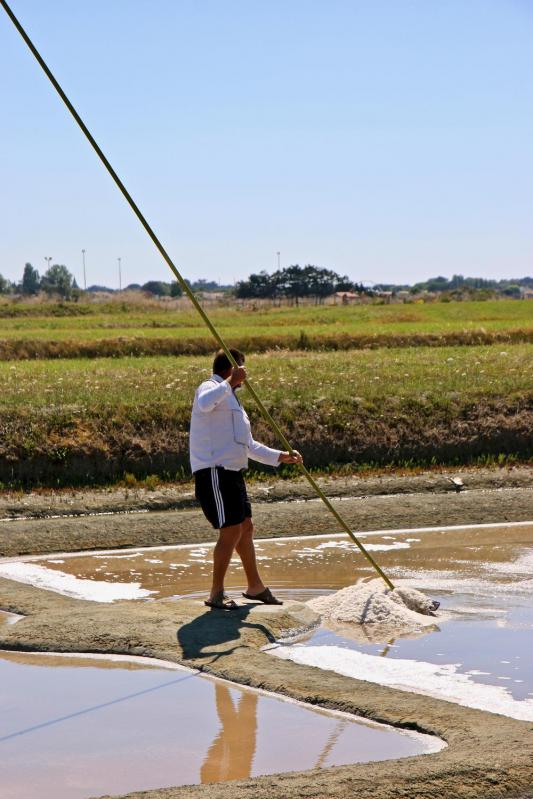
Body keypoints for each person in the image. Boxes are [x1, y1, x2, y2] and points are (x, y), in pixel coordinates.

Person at [190, 348, 303, 610]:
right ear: (231, 369)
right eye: (242, 369)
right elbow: (205, 403)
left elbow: (248, 445)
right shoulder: (210, 387)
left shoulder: (234, 402)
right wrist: (230, 381)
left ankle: (255, 587)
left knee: (245, 526)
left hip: (234, 473)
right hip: (214, 472)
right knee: (230, 530)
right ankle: (216, 593)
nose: (245, 376)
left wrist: (280, 456)